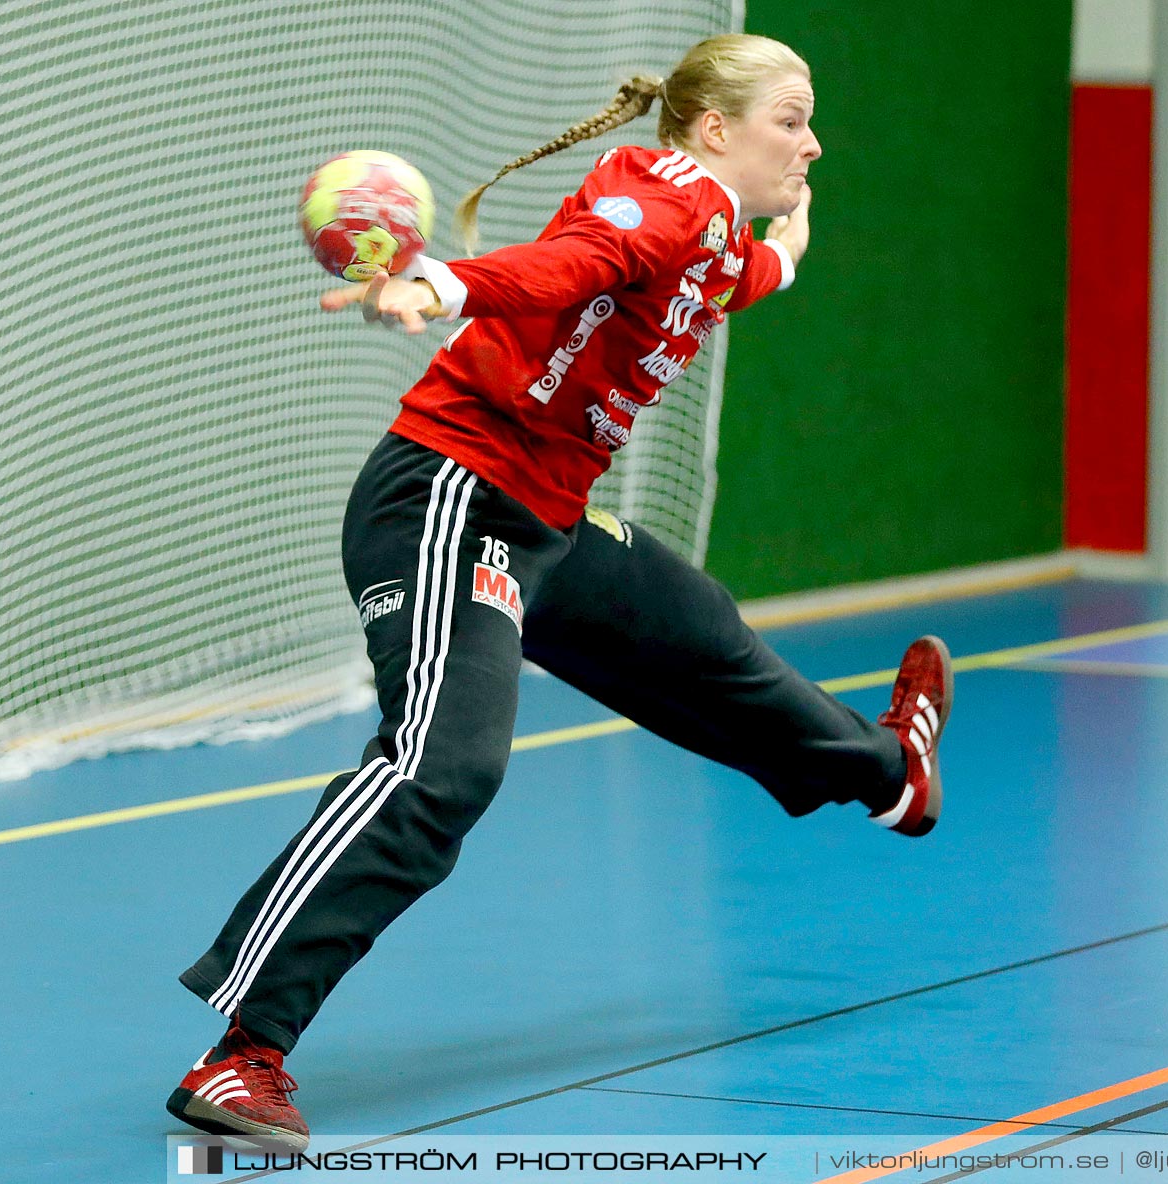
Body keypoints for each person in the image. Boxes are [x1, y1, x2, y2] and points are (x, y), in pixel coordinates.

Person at [166, 33, 952, 1151]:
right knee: (442, 769)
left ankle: (892, 775)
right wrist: (446, 281)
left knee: (705, 641)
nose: (813, 139)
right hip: (453, 497)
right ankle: (242, 1054)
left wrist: (790, 251)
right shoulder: (664, 192)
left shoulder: (719, 227)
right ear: (716, 130)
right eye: (792, 117)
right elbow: (571, 266)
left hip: (549, 515)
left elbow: (739, 274)